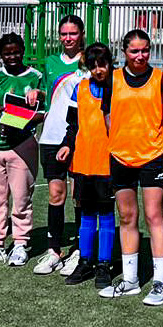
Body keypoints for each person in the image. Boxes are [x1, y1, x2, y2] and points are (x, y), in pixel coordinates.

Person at [100, 28, 163, 305]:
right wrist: (119, 137)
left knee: (155, 216)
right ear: (124, 52)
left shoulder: (159, 78)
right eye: (134, 51)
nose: (140, 56)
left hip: (152, 155)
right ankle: (130, 280)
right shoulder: (113, 79)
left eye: (145, 50)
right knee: (127, 217)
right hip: (120, 156)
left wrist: (159, 133)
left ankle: (160, 283)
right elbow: (107, 113)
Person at [0, 33, 42, 268]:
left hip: (22, 145)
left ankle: (21, 243)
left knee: (22, 198)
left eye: (16, 52)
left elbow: (43, 112)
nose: (12, 56)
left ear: (23, 51)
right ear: (0, 54)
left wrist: (27, 118)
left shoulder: (36, 77)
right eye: (7, 53)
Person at [57, 43, 117, 291]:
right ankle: (85, 260)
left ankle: (104, 264)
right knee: (86, 212)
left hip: (108, 163)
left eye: (102, 64)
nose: (98, 70)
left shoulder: (117, 88)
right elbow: (73, 125)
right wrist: (67, 146)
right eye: (92, 66)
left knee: (106, 213)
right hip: (83, 161)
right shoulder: (80, 89)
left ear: (110, 63)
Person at [33, 16, 87, 276]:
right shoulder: (51, 62)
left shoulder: (90, 62)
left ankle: (79, 248)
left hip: (80, 138)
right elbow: (48, 93)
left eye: (73, 33)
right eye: (64, 34)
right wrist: (36, 92)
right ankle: (54, 250)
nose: (68, 38)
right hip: (52, 137)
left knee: (79, 196)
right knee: (56, 194)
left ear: (82, 34)